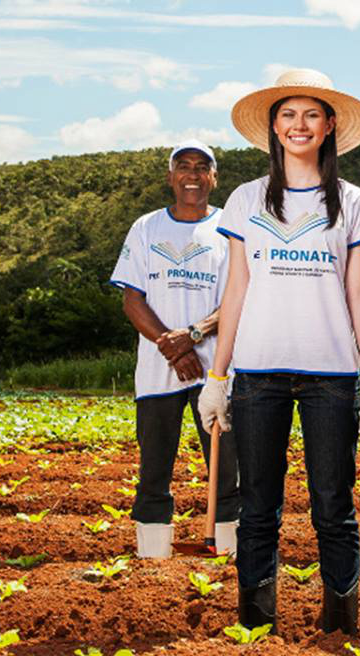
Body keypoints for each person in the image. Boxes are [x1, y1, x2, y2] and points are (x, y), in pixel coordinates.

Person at [198, 69, 360, 636]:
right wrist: (217, 374)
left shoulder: (351, 202)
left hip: (331, 375)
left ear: (329, 126)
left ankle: (340, 626)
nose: (299, 125)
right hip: (257, 375)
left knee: (334, 504)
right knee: (258, 508)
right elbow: (236, 288)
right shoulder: (245, 199)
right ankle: (257, 627)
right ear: (273, 128)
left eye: (311, 115)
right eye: (288, 115)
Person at [109, 139, 239, 559]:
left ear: (214, 178)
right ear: (170, 177)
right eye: (183, 166)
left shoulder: (230, 228)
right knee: (153, 471)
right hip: (156, 373)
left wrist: (195, 335)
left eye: (203, 167)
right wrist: (175, 348)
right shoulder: (146, 228)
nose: (193, 174)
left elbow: (239, 296)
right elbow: (133, 299)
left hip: (217, 374)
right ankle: (152, 556)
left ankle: (227, 551)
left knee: (227, 470)